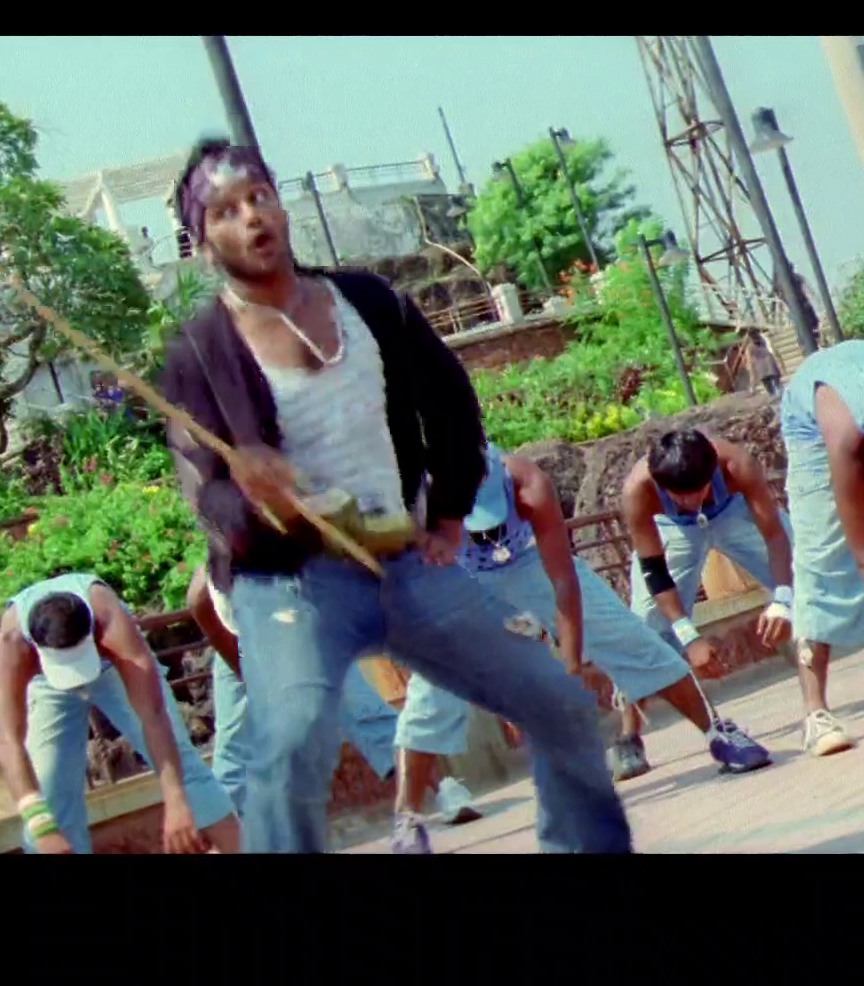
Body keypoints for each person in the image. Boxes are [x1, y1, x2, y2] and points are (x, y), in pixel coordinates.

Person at [156, 138, 630, 854]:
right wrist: (256, 502)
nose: (251, 217)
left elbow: (451, 403)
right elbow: (208, 501)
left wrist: (449, 513)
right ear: (201, 242)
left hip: (403, 559)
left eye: (259, 197)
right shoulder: (200, 354)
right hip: (292, 584)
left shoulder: (369, 302)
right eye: (225, 211)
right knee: (292, 743)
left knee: (555, 698)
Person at [395, 445, 770, 845]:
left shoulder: (528, 484)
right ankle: (407, 817)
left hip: (529, 561)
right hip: (456, 576)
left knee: (630, 639)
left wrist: (570, 670)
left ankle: (718, 733)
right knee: (431, 690)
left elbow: (563, 581)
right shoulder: (415, 503)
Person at [184, 564, 489, 852]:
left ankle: (440, 787)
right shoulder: (207, 589)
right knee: (232, 753)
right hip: (241, 644)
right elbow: (211, 620)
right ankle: (228, 841)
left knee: (364, 711)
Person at [0, 572, 241, 854]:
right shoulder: (13, 644)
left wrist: (176, 799)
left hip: (111, 665)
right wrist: (41, 827)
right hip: (46, 682)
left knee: (183, 767)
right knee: (49, 800)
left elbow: (153, 716)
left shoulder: (109, 620)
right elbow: (8, 741)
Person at [617, 429, 795, 771]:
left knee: (815, 574)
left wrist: (783, 599)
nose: (690, 502)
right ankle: (628, 734)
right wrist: (688, 636)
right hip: (672, 529)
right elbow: (655, 572)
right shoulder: (638, 491)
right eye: (679, 495)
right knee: (645, 628)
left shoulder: (736, 465)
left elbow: (774, 536)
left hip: (733, 513)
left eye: (697, 491)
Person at [775, 339, 864, 755]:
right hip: (813, 421)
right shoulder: (847, 444)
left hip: (862, 387)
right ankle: (815, 714)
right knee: (823, 559)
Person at [748, 334, 783, 398]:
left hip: (761, 369)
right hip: (770, 365)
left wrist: (752, 384)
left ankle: (775, 397)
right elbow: (774, 351)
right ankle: (780, 396)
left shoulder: (750, 347)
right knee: (778, 386)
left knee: (771, 390)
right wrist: (781, 364)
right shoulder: (765, 340)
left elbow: (750, 362)